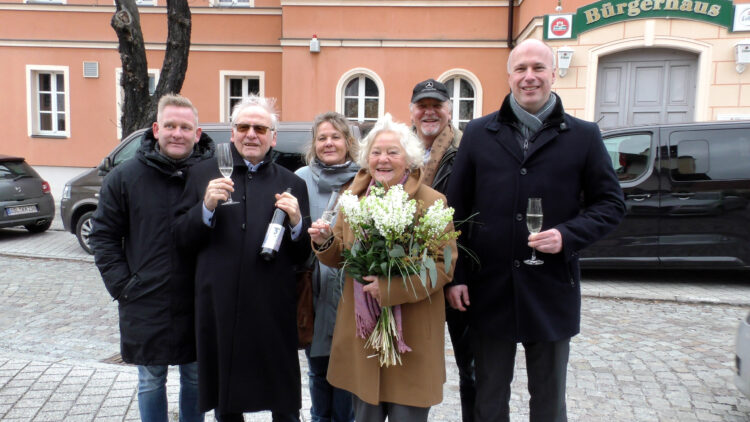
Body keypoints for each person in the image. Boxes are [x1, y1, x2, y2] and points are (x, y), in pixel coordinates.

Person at [446, 39, 626, 422]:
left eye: (538, 68)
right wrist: (456, 276)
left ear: (553, 74)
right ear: (509, 76)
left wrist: (569, 235)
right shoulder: (478, 133)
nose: (530, 77)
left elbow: (611, 204)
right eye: (521, 69)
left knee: (548, 401)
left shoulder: (584, 135)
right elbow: (454, 212)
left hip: (551, 290)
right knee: (489, 399)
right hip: (488, 290)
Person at [309, 113, 458, 422]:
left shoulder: (432, 202)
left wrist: (390, 289)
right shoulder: (352, 198)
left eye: (393, 152)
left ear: (409, 158)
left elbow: (443, 266)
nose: (383, 159)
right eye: (376, 152)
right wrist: (324, 241)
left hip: (412, 340)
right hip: (364, 339)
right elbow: (341, 258)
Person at [175, 95, 311, 422]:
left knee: (284, 401)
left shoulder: (291, 183)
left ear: (273, 137)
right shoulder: (201, 175)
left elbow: (304, 254)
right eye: (244, 127)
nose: (252, 134)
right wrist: (205, 207)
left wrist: (296, 224)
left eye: (260, 128)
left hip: (271, 309)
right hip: (221, 307)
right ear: (232, 133)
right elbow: (180, 238)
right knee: (227, 402)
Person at [90, 93, 213, 422]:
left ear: (197, 134)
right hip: (145, 299)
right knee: (150, 380)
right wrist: (122, 285)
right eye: (170, 125)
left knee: (195, 378)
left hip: (199, 300)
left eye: (185, 127)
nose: (177, 133)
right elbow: (102, 235)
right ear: (156, 129)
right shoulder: (125, 177)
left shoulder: (213, 177)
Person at [409, 78, 475, 422]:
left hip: (455, 274)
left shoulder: (468, 148)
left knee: (472, 367)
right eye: (423, 105)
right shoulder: (400, 149)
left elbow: (474, 217)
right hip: (407, 277)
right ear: (413, 111)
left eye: (437, 105)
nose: (429, 112)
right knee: (412, 366)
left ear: (450, 110)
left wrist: (458, 274)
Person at [295, 112, 359, 422]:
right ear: (314, 144)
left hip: (353, 289)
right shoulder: (300, 178)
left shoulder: (365, 179)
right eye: (322, 138)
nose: (328, 143)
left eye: (335, 137)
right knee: (318, 369)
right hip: (315, 289)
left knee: (348, 371)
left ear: (348, 142)